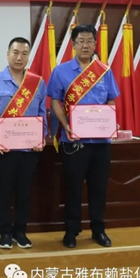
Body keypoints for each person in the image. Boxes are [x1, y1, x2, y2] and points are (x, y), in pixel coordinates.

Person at [47, 24, 120, 249]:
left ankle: (98, 230)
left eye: (89, 41)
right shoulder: (60, 71)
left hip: (101, 142)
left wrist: (109, 120)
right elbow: (54, 101)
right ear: (73, 45)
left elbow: (110, 99)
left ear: (95, 44)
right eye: (81, 41)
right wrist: (66, 125)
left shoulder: (104, 71)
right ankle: (71, 231)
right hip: (73, 141)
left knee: (99, 188)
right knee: (73, 187)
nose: (85, 45)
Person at [0, 37, 47, 249]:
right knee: (4, 192)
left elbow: (42, 115)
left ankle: (20, 231)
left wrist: (41, 137)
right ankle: (5, 232)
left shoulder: (37, 82)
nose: (19, 57)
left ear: (28, 56)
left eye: (24, 53)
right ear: (7, 54)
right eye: (15, 53)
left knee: (25, 193)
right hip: (4, 149)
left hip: (29, 150)